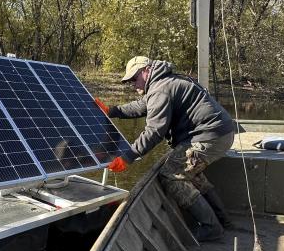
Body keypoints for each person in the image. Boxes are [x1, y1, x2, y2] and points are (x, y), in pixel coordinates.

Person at [98, 56, 234, 241]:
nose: (132, 84)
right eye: (129, 81)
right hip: (220, 133)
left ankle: (211, 228)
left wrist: (127, 157)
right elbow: (142, 106)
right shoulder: (165, 82)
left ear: (146, 70)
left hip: (210, 136)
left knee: (171, 174)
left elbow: (155, 131)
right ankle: (222, 221)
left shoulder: (160, 89)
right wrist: (112, 111)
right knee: (191, 173)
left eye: (134, 78)